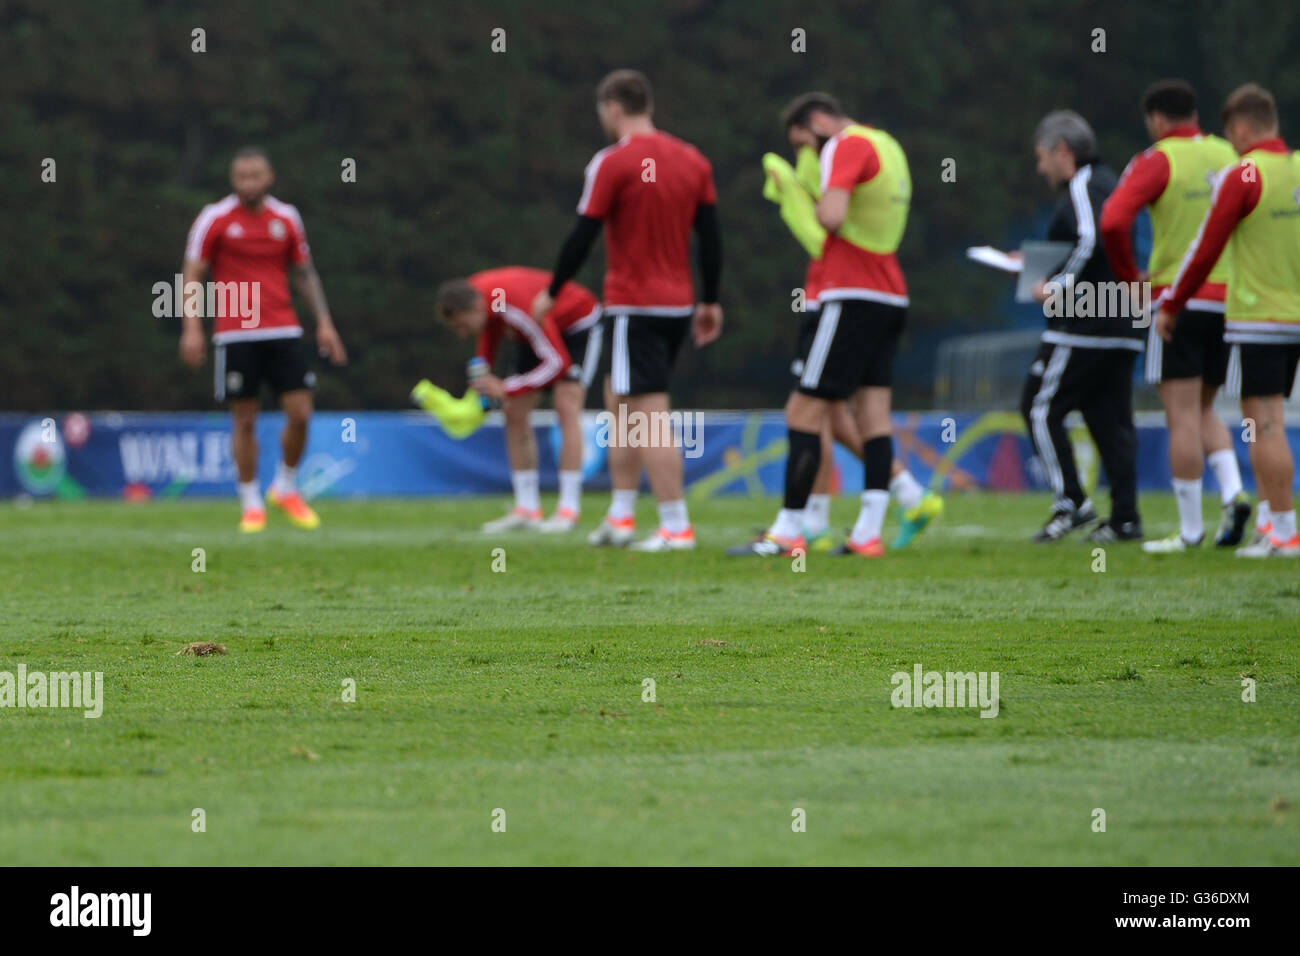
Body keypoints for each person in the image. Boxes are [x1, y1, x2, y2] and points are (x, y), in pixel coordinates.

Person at [533, 69, 722, 551]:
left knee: (648, 413)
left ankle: (676, 525)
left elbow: (583, 233)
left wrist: (553, 290)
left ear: (612, 108)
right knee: (619, 403)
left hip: (634, 305)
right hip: (676, 305)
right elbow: (711, 237)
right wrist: (711, 299)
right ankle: (620, 516)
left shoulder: (613, 162)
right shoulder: (691, 160)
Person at [729, 92, 918, 558]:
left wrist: (803, 197)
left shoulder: (846, 145)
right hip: (890, 294)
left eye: (806, 144)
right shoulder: (888, 144)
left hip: (849, 294)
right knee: (873, 416)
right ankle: (867, 534)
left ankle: (789, 531)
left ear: (818, 122)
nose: (809, 156)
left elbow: (831, 216)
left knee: (803, 411)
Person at [1101, 79, 1250, 552]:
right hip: (1232, 299)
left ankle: (1189, 531)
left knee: (1180, 414)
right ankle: (1232, 494)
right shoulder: (1230, 155)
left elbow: (1112, 220)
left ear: (1158, 120)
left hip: (1178, 299)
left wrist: (1130, 278)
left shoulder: (1158, 159)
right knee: (1206, 407)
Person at [1154, 83, 1300, 558]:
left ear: (1239, 129)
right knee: (1273, 423)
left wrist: (1173, 302)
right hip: (1295, 318)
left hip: (1258, 319)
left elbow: (1204, 248)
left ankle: (1283, 530)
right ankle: (1269, 521)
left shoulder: (1245, 175)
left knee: (1263, 424)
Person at [180, 147, 347, 532]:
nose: (248, 183)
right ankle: (251, 500)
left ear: (269, 177)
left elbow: (305, 273)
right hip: (235, 333)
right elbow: (192, 274)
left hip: (283, 329)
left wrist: (324, 322)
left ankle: (285, 487)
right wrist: (191, 327)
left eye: (255, 176)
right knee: (244, 419)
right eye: (241, 176)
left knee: (302, 414)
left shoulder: (286, 217)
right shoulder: (215, 218)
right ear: (232, 179)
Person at [1020, 111, 1143, 544]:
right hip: (1125, 316)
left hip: (1085, 321)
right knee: (1109, 419)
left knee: (1038, 406)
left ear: (1062, 151)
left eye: (1041, 157)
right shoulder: (1111, 181)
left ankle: (1071, 502)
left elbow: (1090, 239)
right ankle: (1126, 518)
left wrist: (1055, 286)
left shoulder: (1082, 184)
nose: (1040, 168)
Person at [436, 267, 601, 532]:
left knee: (565, 404)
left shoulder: (513, 307)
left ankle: (568, 509)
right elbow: (490, 331)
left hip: (575, 324)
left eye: (462, 325)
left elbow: (558, 362)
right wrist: (482, 385)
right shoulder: (478, 297)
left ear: (476, 307)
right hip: (536, 332)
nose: (462, 333)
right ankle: (527, 508)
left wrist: (506, 387)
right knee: (513, 413)